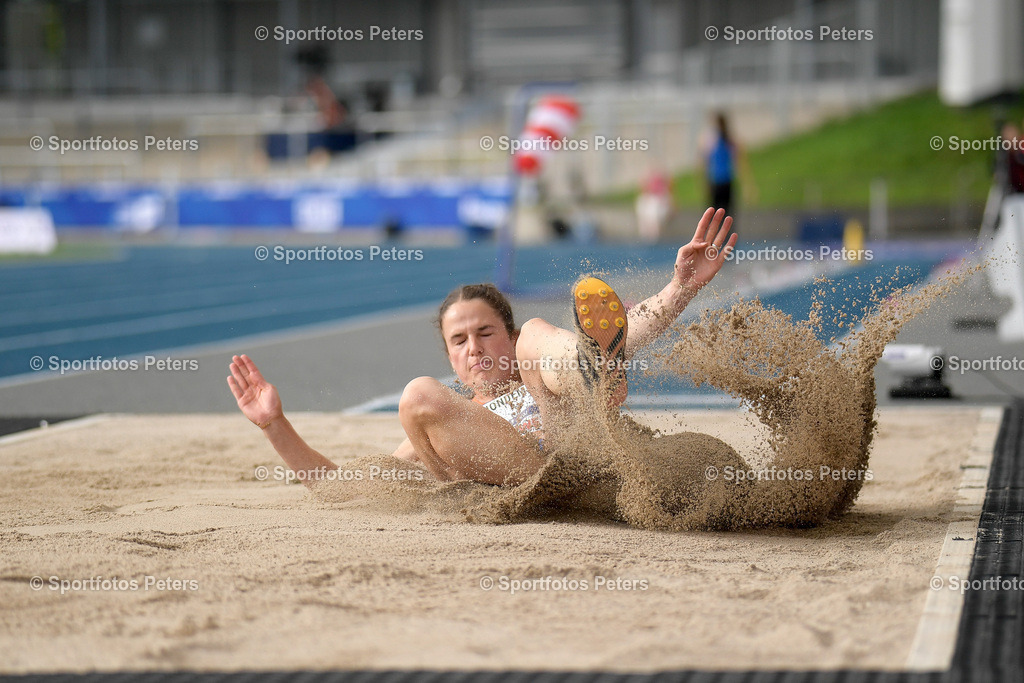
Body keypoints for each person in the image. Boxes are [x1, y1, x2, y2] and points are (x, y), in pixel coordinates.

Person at [227, 207, 737, 488]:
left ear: (506, 340)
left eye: (486, 332)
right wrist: (275, 425)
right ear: (450, 356)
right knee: (419, 399)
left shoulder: (530, 356)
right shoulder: (447, 421)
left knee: (542, 332)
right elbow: (345, 487)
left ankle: (591, 362)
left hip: (577, 443)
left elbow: (629, 328)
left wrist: (682, 287)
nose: (474, 347)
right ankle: (591, 365)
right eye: (459, 340)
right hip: (532, 477)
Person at [699, 112, 757, 216]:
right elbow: (740, 163)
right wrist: (748, 184)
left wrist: (704, 183)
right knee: (727, 216)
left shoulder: (712, 140)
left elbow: (704, 164)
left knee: (715, 216)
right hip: (725, 182)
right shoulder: (729, 140)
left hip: (717, 182)